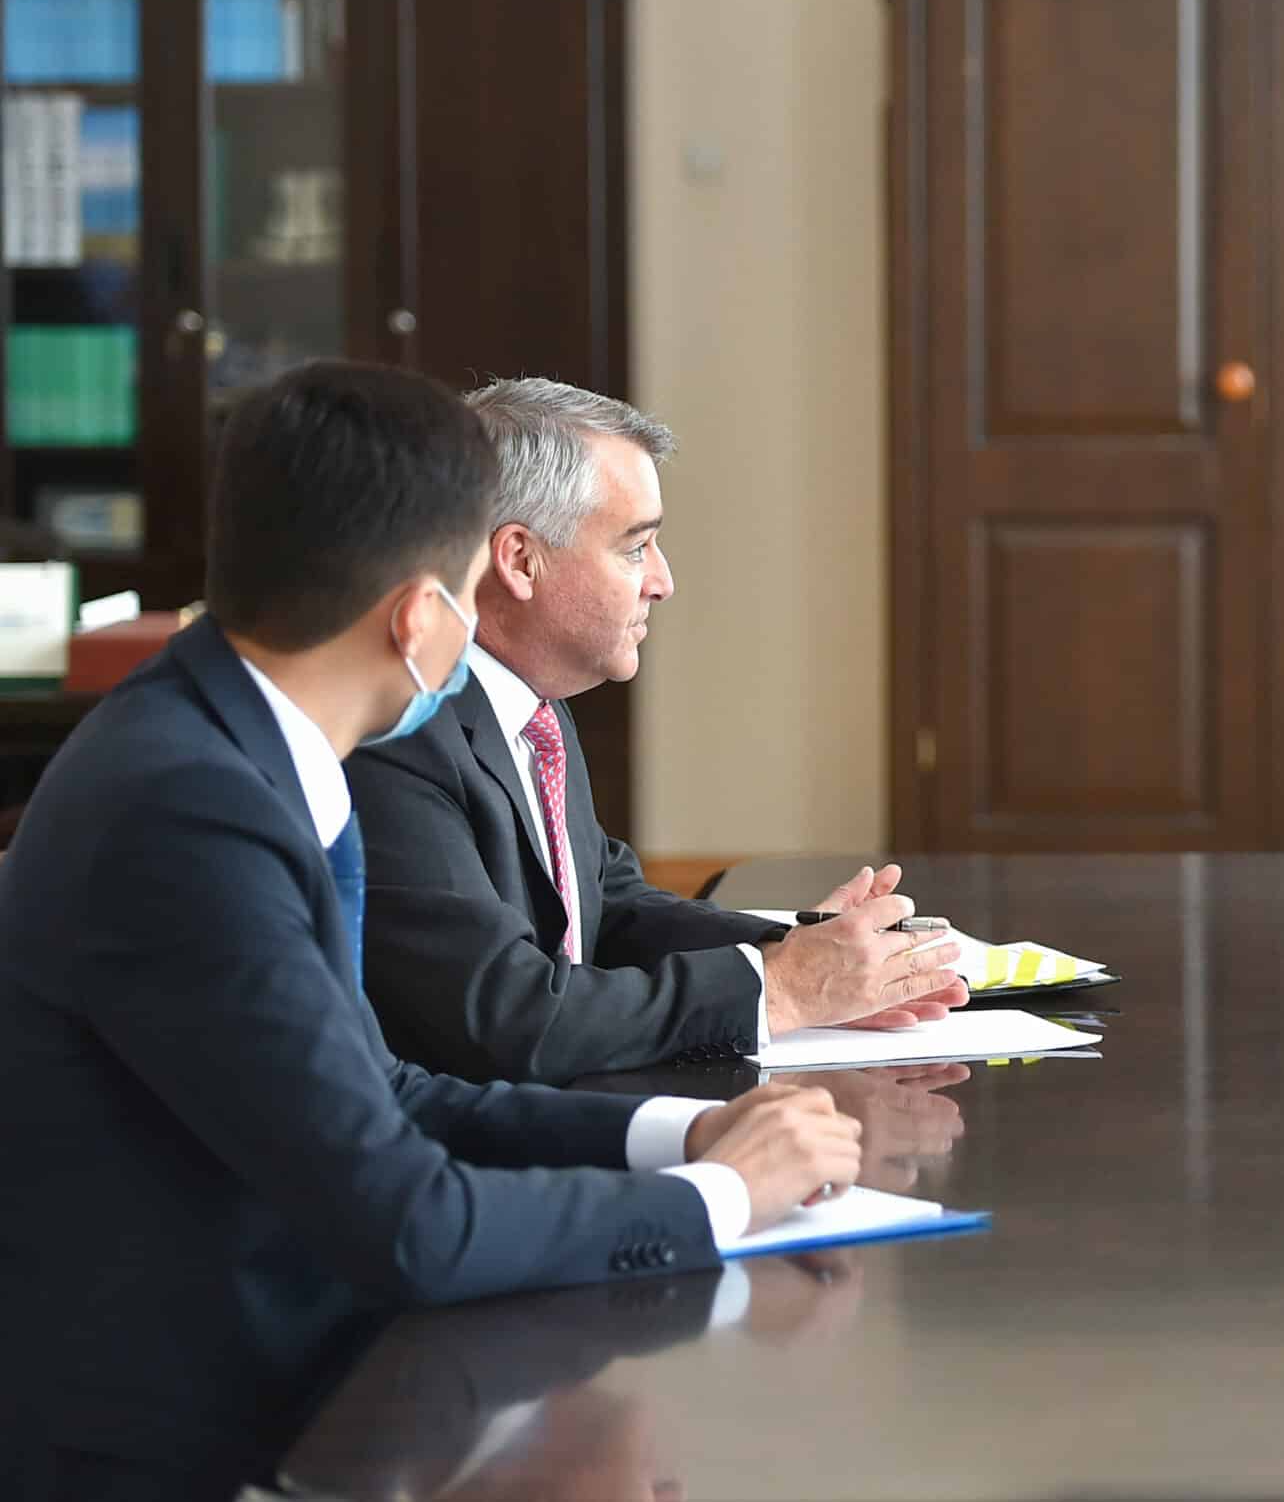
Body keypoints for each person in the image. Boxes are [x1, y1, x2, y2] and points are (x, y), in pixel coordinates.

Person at [0, 363, 870, 1498]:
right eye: (470, 591)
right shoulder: (191, 805)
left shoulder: (240, 742)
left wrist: (685, 1134)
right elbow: (409, 1221)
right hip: (178, 1435)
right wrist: (720, 1200)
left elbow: (390, 1095)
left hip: (282, 1370)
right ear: (421, 618)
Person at [346, 377, 964, 1083]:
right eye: (636, 547)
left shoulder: (531, 705)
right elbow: (504, 1016)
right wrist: (782, 988)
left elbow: (604, 910)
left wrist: (807, 952)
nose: (662, 581)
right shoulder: (399, 734)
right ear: (520, 560)